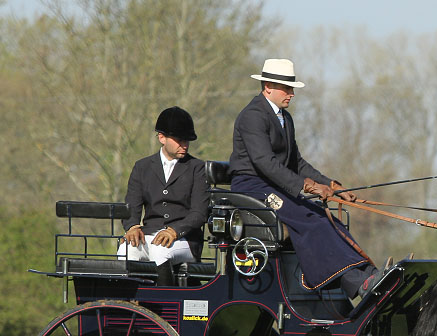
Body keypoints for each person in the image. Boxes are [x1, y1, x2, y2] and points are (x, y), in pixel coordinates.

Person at [229, 58, 384, 299]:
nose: (291, 94)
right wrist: (306, 186)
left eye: (292, 89)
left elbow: (297, 163)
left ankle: (369, 273)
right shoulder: (253, 116)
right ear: (268, 86)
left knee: (327, 217)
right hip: (252, 186)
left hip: (275, 185)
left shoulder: (284, 118)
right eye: (286, 88)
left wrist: (332, 185)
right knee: (311, 220)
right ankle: (356, 283)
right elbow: (264, 162)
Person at [118, 106, 209, 285]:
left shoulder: (197, 168)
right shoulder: (142, 167)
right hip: (149, 234)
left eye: (187, 141)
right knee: (125, 250)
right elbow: (132, 204)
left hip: (185, 239)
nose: (185, 145)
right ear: (162, 137)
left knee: (160, 251)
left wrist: (175, 231)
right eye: (179, 140)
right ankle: (128, 303)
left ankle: (164, 303)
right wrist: (133, 226)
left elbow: (199, 213)